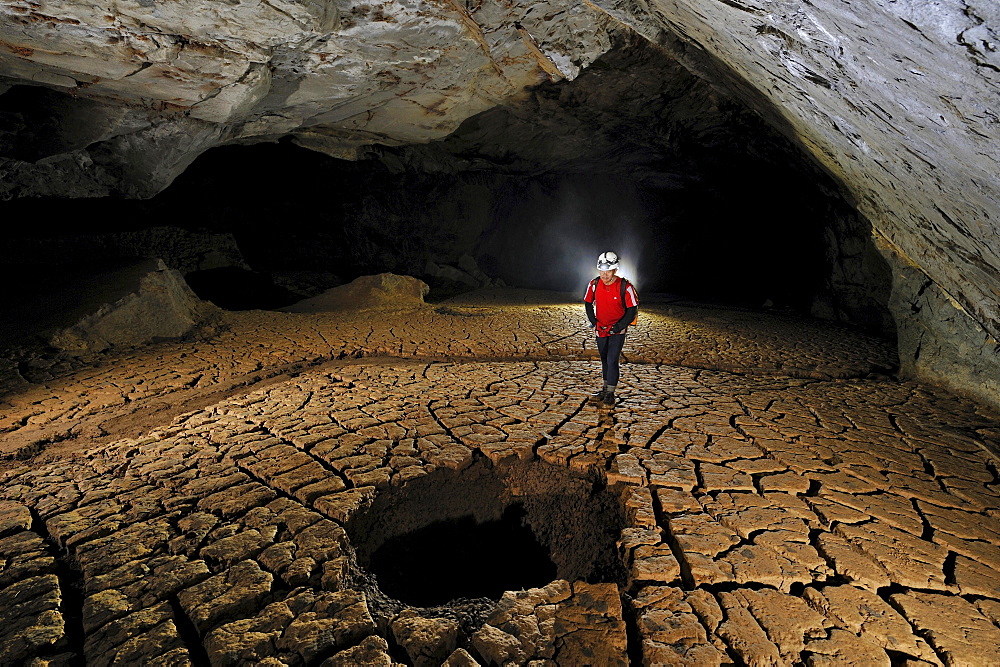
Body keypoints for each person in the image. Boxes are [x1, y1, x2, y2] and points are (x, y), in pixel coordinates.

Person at [584, 251, 639, 407]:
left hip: (617, 329)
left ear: (615, 270)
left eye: (608, 270)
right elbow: (588, 303)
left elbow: (632, 309)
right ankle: (605, 388)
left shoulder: (625, 287)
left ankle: (610, 393)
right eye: (601, 270)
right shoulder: (593, 284)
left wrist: (619, 326)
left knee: (612, 359)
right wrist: (593, 321)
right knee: (604, 358)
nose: (604, 274)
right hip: (600, 328)